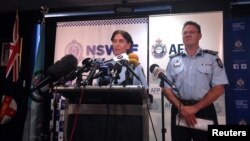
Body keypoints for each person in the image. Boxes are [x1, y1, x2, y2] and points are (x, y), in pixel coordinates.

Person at [162, 21, 229, 141]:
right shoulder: (173, 60)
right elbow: (166, 89)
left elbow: (219, 88)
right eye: (185, 33)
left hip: (204, 109)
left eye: (192, 32)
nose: (188, 35)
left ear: (200, 36)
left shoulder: (212, 58)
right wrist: (182, 108)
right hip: (180, 110)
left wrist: (195, 108)